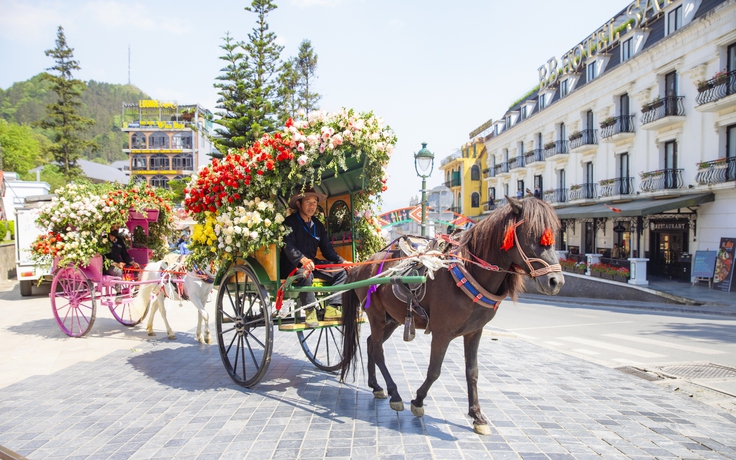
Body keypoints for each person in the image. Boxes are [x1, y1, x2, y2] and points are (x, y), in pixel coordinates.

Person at [280, 187, 348, 327]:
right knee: (305, 274)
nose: (312, 206)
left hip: (312, 264)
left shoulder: (317, 225)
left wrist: (343, 262)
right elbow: (289, 246)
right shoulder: (289, 222)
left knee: (341, 272)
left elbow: (327, 249)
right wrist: (303, 260)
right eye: (308, 202)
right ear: (298, 204)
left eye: (315, 202)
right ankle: (310, 311)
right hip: (292, 266)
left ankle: (332, 308)